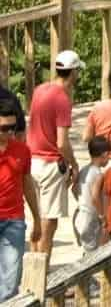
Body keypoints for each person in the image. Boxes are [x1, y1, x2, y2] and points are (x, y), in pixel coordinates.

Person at [26, 50, 83, 257]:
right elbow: (62, 143)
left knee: (37, 219)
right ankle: (43, 279)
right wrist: (74, 165)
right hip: (50, 165)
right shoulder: (62, 100)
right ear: (74, 72)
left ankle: (33, 268)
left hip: (31, 161)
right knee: (49, 224)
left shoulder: (40, 90)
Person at [0, 97, 40, 301]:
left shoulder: (22, 150)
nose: (8, 133)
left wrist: (37, 219)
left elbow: (28, 185)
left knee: (10, 280)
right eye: (3, 128)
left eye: (12, 128)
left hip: (14, 220)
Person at [71, 136, 109, 253]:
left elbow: (74, 189)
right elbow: (95, 197)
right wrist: (102, 216)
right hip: (90, 219)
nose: (109, 159)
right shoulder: (98, 174)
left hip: (79, 216)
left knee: (87, 251)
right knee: (94, 256)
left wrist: (82, 201)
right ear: (104, 155)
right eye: (108, 155)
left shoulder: (84, 170)